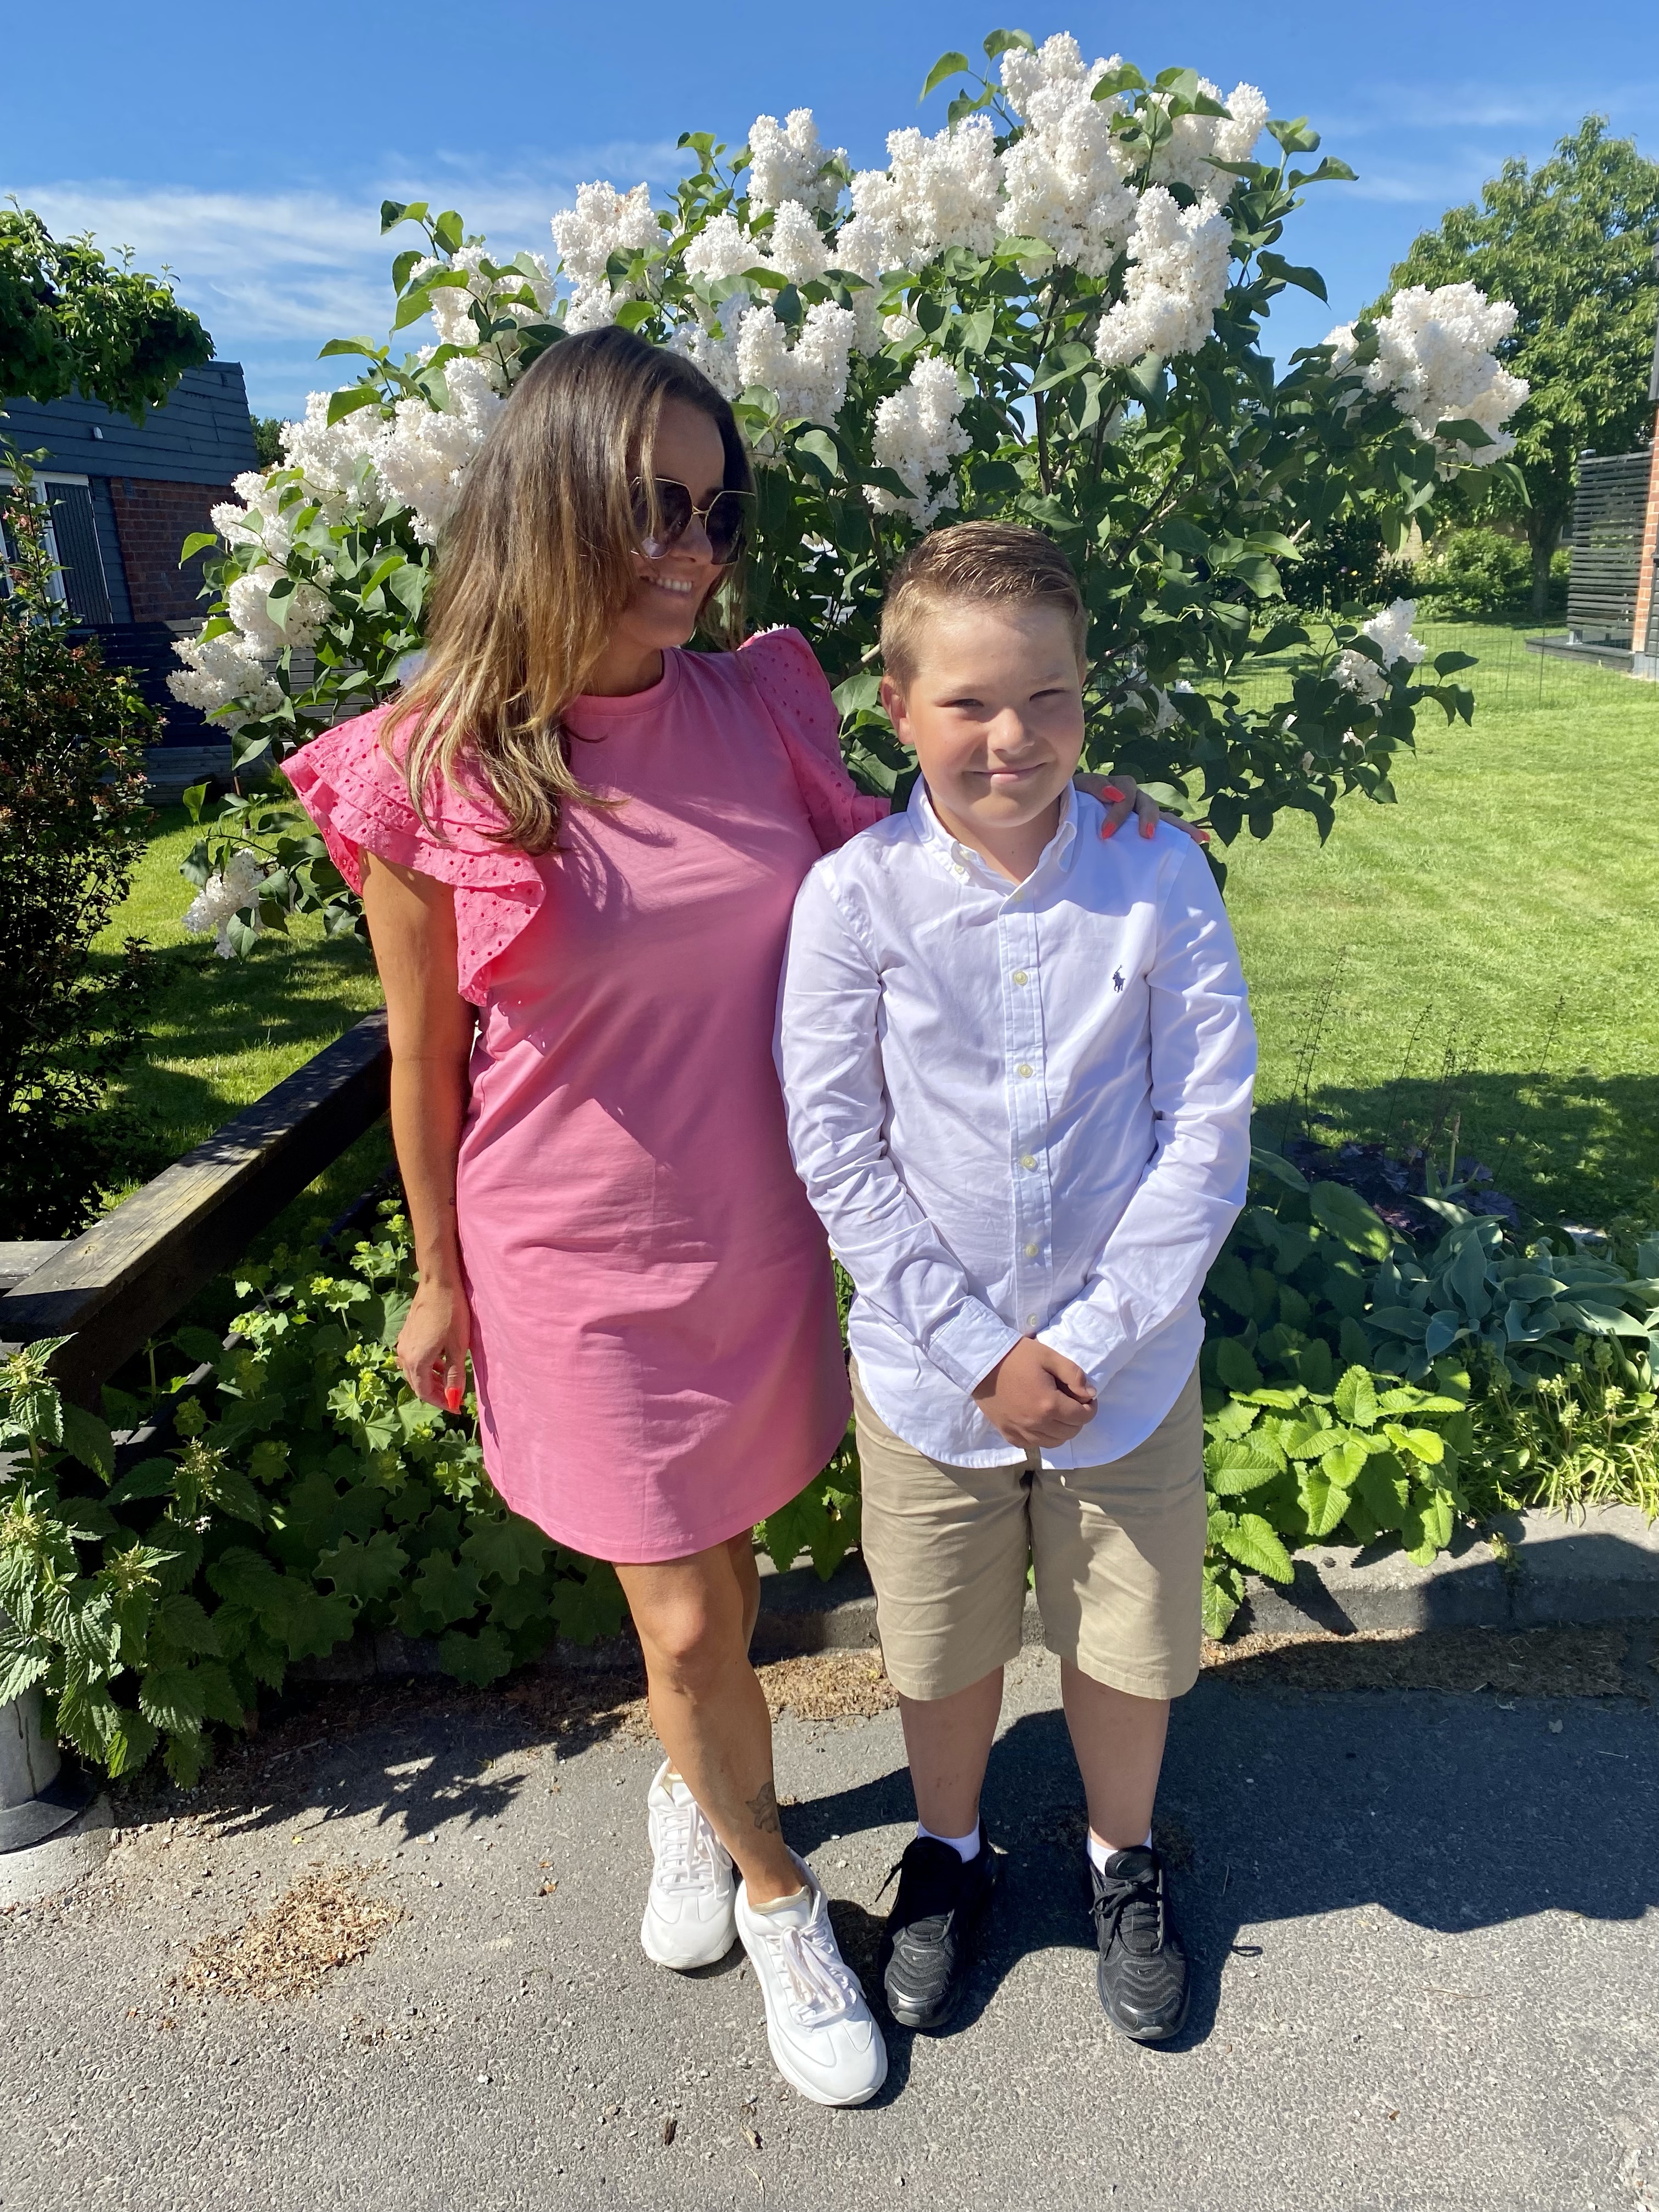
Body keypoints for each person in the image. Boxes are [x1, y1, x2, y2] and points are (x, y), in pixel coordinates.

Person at [285, 331, 1168, 2107]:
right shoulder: (430, 766)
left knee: (726, 1562)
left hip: (763, 1235)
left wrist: (1087, 814)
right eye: (653, 506)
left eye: (716, 508)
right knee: (688, 1622)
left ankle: (697, 1787)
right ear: (552, 498)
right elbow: (423, 1064)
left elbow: (906, 859)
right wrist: (439, 1280)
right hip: (574, 1261)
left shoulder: (758, 704)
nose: (693, 547)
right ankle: (777, 1896)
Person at [777, 522, 1256, 2043]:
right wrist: (983, 1350)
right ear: (896, 707)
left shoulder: (1156, 872)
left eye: (1048, 697)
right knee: (940, 1641)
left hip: (1130, 1364)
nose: (1015, 736)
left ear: (1086, 694)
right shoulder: (854, 901)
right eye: (971, 701)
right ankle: (951, 1847)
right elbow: (838, 1145)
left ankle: (1124, 1856)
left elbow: (1207, 1127)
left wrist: (1095, 1337)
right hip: (935, 1370)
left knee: (1127, 1632)